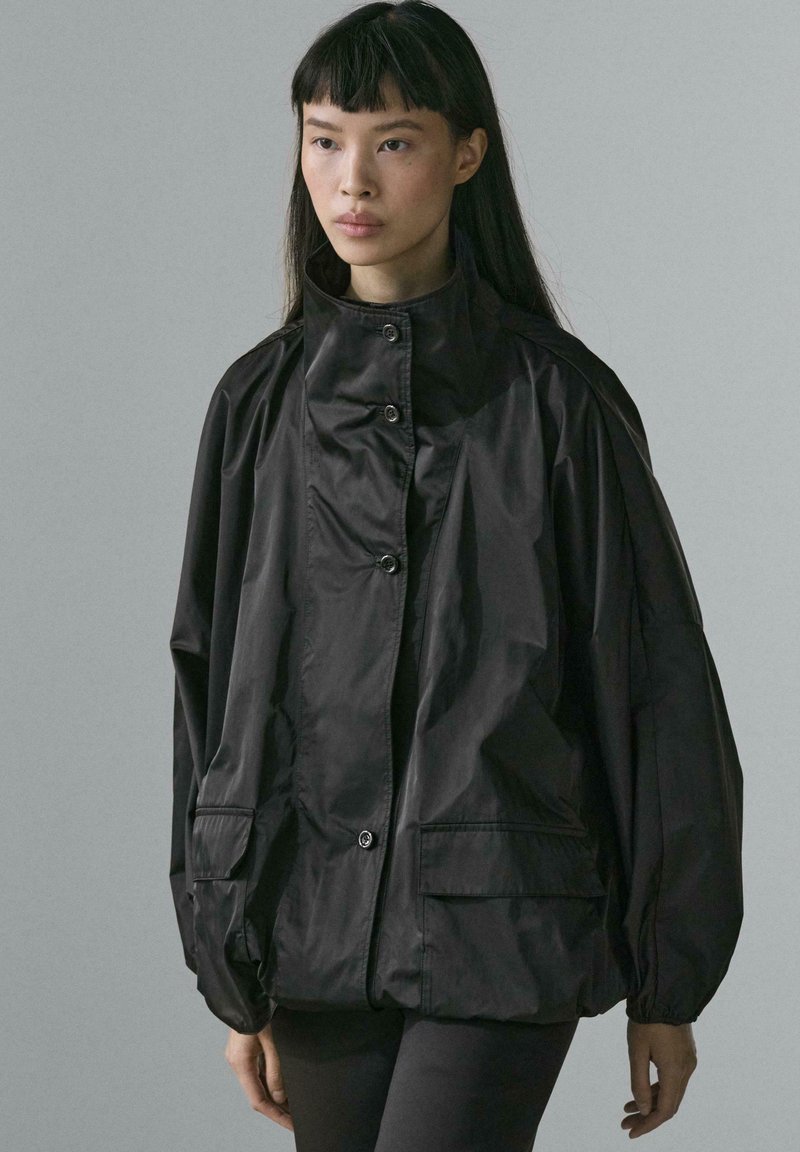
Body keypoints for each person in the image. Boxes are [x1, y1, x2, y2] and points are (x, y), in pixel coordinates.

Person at [168, 3, 744, 1149]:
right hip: (307, 916)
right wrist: (227, 947)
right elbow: (208, 682)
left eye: (393, 141)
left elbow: (653, 687)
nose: (351, 180)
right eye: (324, 139)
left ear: (466, 153)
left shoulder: (556, 403)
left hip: (500, 918)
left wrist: (666, 977)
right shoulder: (256, 408)